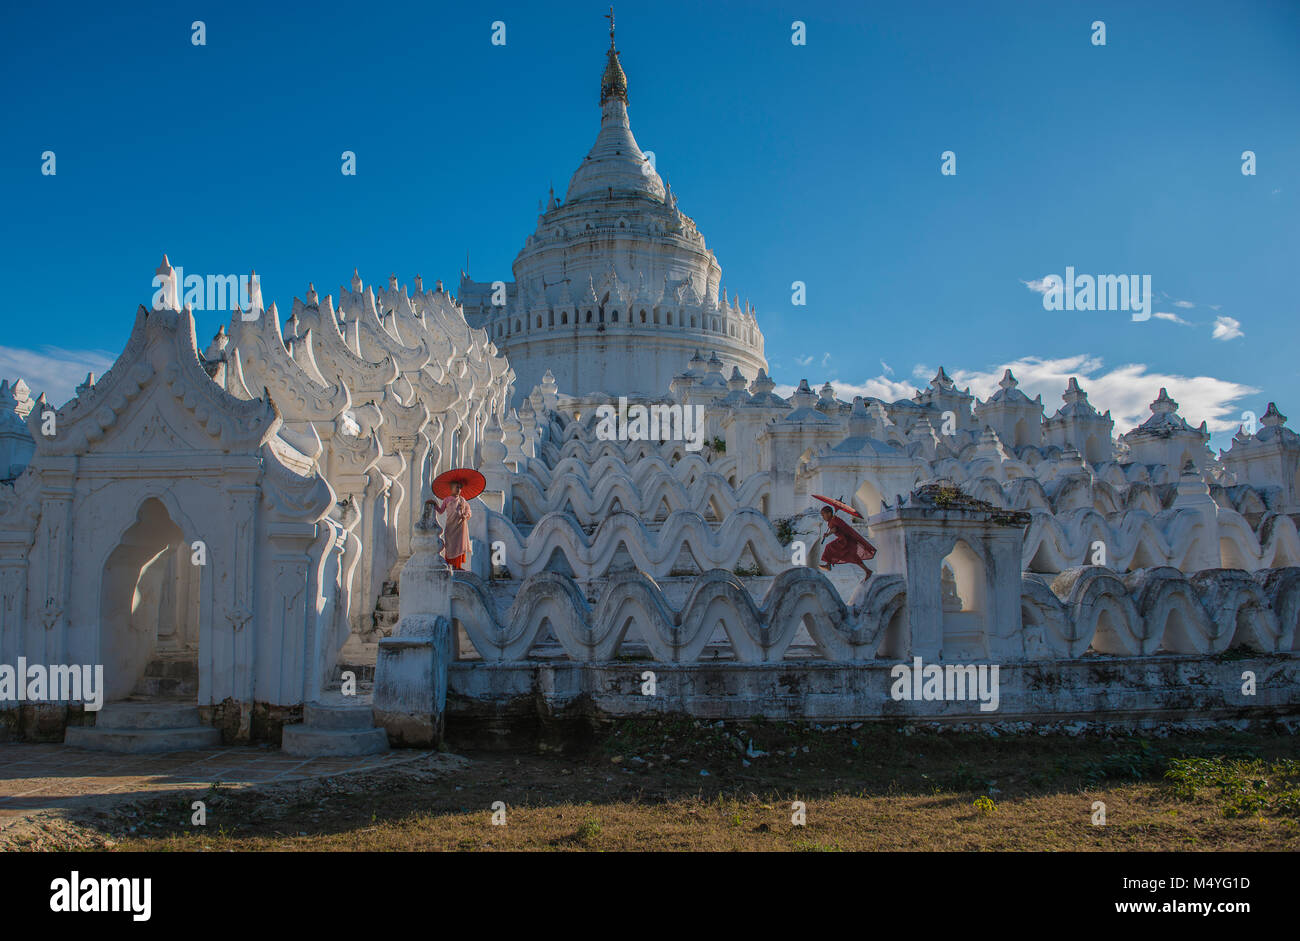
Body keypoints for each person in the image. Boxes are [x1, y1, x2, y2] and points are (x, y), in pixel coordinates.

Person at [817, 505, 875, 580]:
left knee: (830, 547)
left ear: (829, 513)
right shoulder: (832, 521)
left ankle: (828, 565)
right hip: (846, 541)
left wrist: (828, 534)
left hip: (846, 541)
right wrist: (829, 532)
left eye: (823, 514)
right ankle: (867, 571)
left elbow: (834, 529)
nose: (823, 517)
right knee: (853, 557)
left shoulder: (834, 520)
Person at [433, 480, 472, 570]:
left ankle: (458, 566)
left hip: (460, 526)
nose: (458, 489)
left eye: (459, 487)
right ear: (451, 489)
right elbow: (440, 511)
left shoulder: (462, 500)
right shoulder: (447, 499)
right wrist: (434, 505)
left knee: (459, 545)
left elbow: (468, 510)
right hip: (450, 526)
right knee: (450, 545)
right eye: (456, 487)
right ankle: (450, 564)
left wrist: (465, 515)